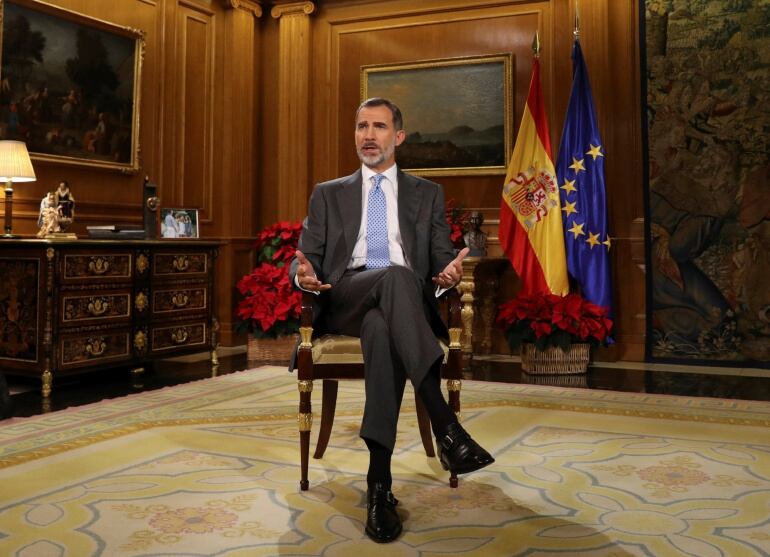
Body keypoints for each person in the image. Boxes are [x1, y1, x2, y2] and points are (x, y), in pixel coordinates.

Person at [289, 97, 494, 543]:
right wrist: (302, 275)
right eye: (361, 126)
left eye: (379, 126)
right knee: (395, 279)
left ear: (398, 136)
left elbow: (441, 257)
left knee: (384, 326)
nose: (368, 135)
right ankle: (447, 425)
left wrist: (449, 273)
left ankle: (379, 485)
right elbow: (306, 259)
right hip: (347, 296)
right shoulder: (329, 193)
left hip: (400, 305)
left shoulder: (426, 192)